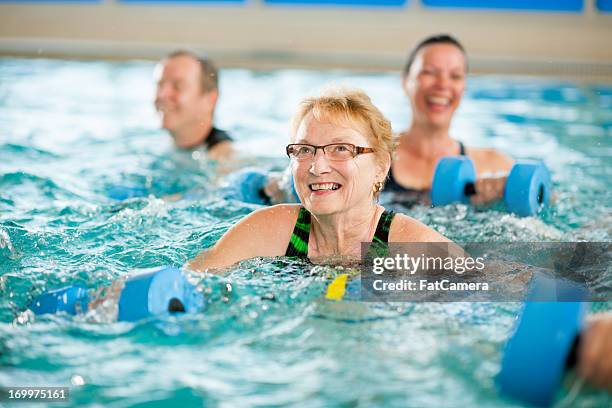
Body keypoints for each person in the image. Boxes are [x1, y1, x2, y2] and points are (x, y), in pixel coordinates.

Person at [188, 87, 450, 271]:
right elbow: (190, 282)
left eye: (341, 148)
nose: (317, 166)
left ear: (380, 166)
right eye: (304, 150)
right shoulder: (271, 231)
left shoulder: (412, 247)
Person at [384, 34, 514, 206]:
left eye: (455, 76)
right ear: (406, 82)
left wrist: (504, 194)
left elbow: (545, 199)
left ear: (463, 87)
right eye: (429, 72)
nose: (443, 84)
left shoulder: (492, 165)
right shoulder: (374, 158)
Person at [154, 50, 233, 160]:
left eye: (178, 86)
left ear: (210, 99)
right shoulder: (157, 145)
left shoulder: (228, 162)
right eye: (160, 85)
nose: (162, 95)